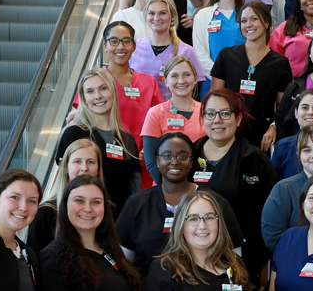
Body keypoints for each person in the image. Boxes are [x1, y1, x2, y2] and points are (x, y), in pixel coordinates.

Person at [116, 133, 244, 276]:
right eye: (167, 156)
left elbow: (234, 258)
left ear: (191, 161)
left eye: (183, 156)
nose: (175, 162)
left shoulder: (216, 203)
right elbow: (124, 262)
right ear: (157, 160)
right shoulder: (136, 204)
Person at [191, 89, 279, 284]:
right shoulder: (189, 155)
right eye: (210, 113)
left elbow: (272, 216)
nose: (217, 120)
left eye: (225, 113)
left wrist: (251, 264)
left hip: (241, 261)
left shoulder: (256, 161)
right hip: (191, 261)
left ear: (238, 119)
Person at [68, 21, 164, 188]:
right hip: (100, 163)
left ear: (134, 46)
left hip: (140, 163)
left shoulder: (148, 82)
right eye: (114, 41)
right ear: (105, 46)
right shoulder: (94, 82)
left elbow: (159, 122)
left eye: (126, 41)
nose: (120, 47)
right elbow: (79, 117)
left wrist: (149, 151)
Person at [211, 1, 292, 151]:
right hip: (229, 131)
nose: (248, 24)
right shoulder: (227, 55)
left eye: (254, 19)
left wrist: (274, 127)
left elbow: (284, 106)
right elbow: (214, 98)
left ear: (267, 22)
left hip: (262, 137)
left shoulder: (280, 63)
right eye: (243, 21)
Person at [38, 175, 143, 291]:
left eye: (96, 202)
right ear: (65, 204)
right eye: (79, 200)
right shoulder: (51, 259)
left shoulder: (111, 249)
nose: (88, 209)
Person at [56, 68, 140, 212]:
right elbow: (64, 184)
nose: (98, 96)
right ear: (83, 99)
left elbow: (135, 191)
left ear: (113, 91)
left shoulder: (127, 139)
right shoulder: (73, 134)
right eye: (90, 91)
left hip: (119, 224)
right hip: (84, 217)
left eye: (103, 88)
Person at [145, 191, 253, 291]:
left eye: (209, 217)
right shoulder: (164, 269)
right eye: (193, 218)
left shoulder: (234, 262)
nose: (202, 226)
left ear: (219, 223)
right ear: (181, 226)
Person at [27, 139, 106, 253]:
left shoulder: (107, 209)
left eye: (91, 162)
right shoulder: (46, 212)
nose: (84, 168)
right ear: (65, 168)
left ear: (98, 169)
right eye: (77, 161)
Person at [129, 0, 205, 100]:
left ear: (172, 16)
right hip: (140, 113)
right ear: (146, 16)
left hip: (173, 114)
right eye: (151, 13)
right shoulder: (134, 48)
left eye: (162, 13)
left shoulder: (187, 52)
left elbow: (195, 94)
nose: (156, 18)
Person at [142, 56, 206, 183]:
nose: (181, 81)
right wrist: (169, 189)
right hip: (165, 188)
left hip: (200, 187)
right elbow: (151, 161)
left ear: (195, 79)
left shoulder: (208, 112)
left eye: (186, 74)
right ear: (166, 81)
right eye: (174, 76)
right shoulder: (155, 113)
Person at [193, 0, 246, 100]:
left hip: (243, 81)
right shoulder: (203, 16)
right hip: (211, 81)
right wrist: (219, 76)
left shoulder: (248, 15)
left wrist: (237, 76)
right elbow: (200, 53)